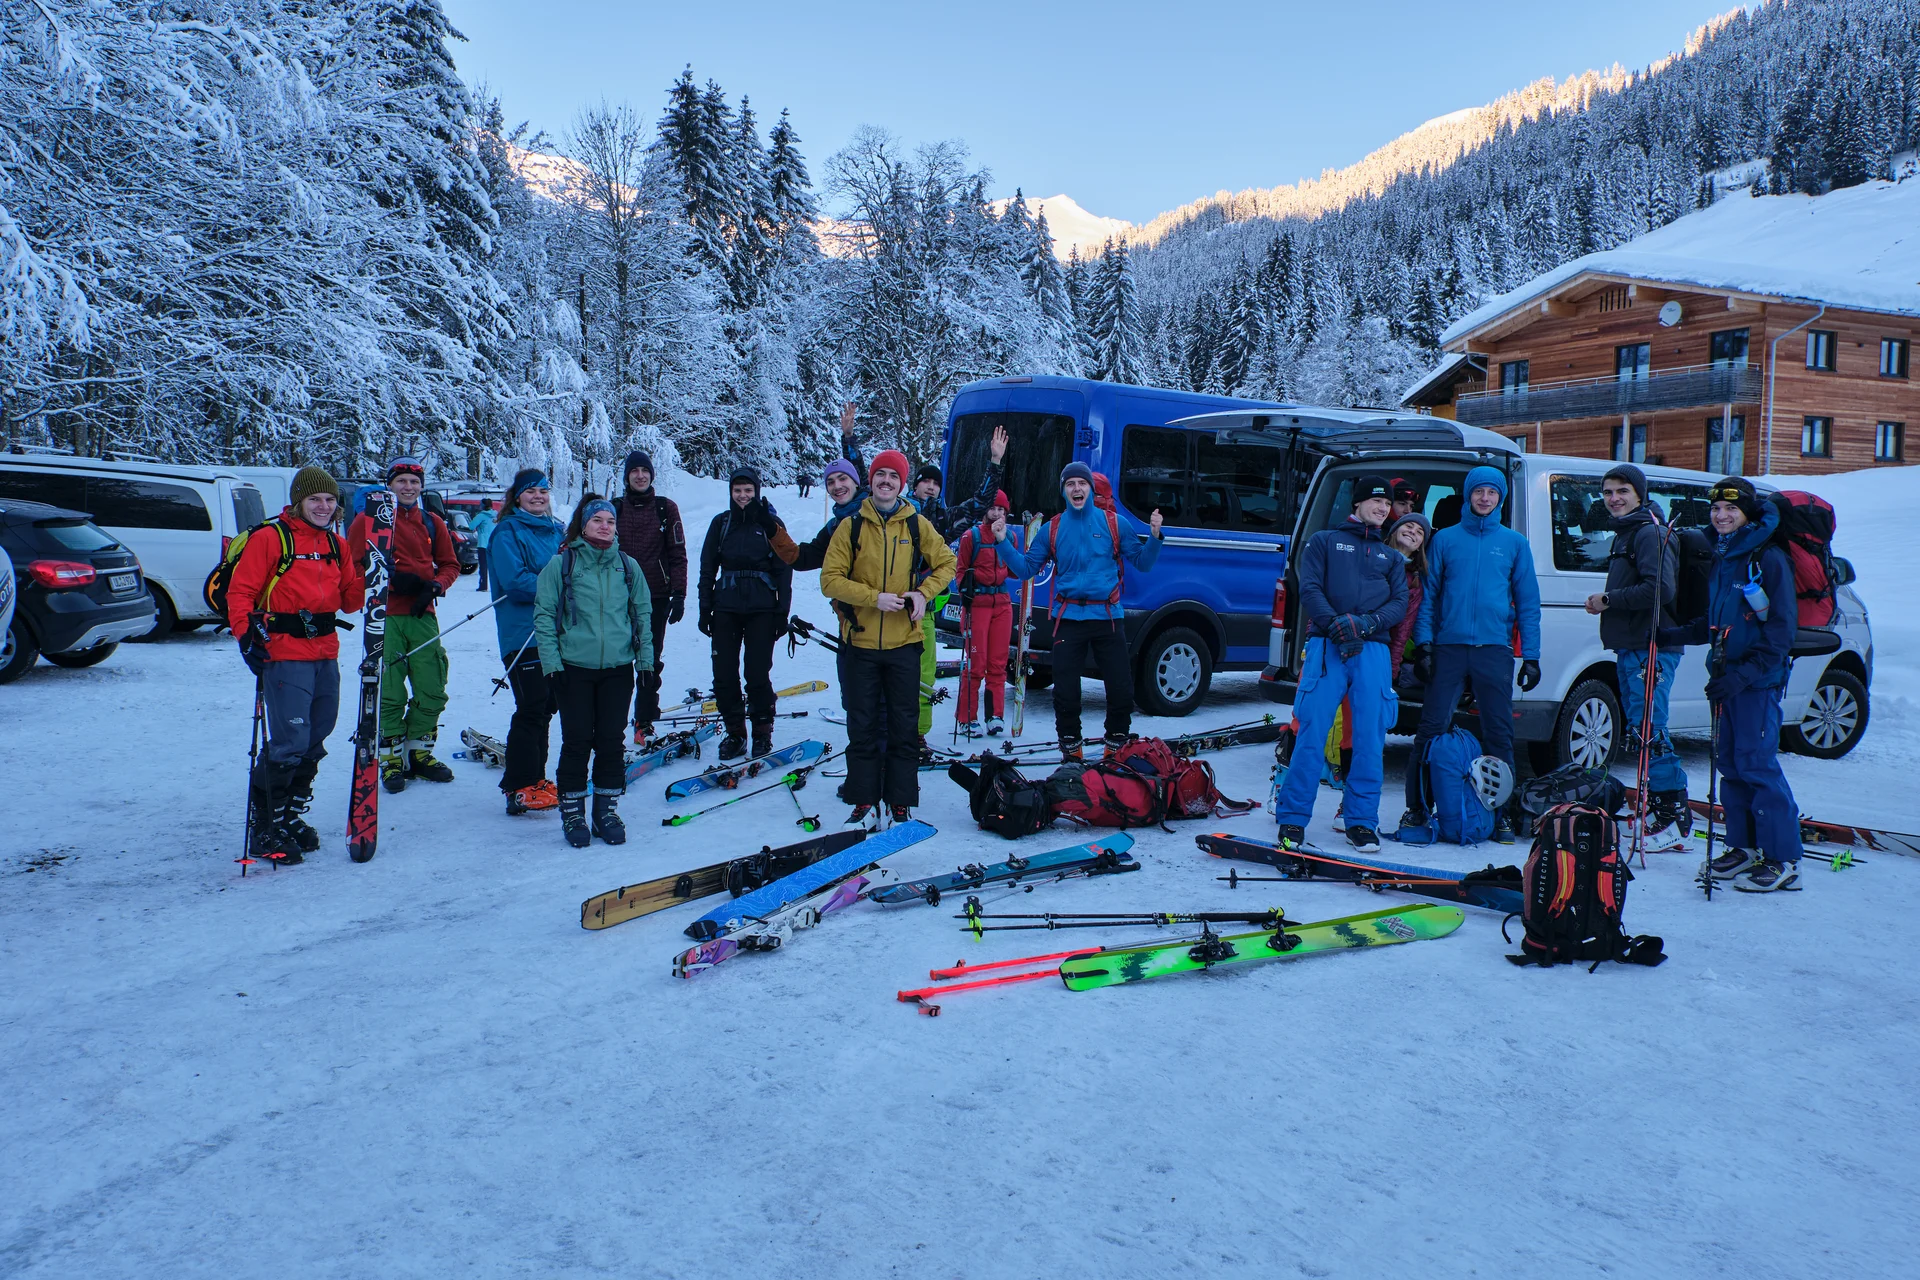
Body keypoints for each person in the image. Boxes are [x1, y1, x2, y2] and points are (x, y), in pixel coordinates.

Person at [1662, 477, 1802, 891]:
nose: (1721, 516)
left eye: (1731, 509)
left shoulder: (1767, 557)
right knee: (1731, 765)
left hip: (1756, 682)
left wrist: (1743, 675)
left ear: (1748, 513)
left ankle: (1784, 859)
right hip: (1726, 679)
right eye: (1716, 509)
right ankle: (1744, 847)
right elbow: (1718, 620)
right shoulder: (1724, 556)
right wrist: (1676, 633)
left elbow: (1781, 633)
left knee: (1757, 764)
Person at [226, 465, 365, 863]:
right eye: (314, 499)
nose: (323, 506)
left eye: (329, 500)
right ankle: (266, 827)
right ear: (298, 501)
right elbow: (243, 591)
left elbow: (350, 602)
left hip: (325, 650)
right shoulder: (272, 538)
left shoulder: (336, 545)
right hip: (284, 652)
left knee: (317, 736)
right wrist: (246, 636)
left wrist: (363, 573)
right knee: (290, 741)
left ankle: (288, 817)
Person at [1405, 464, 1541, 844]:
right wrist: (1425, 645)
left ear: (1500, 498)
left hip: (1494, 649)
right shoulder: (1445, 540)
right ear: (1468, 495)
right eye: (1479, 492)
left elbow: (1529, 602)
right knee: (1431, 730)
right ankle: (1417, 806)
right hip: (1448, 648)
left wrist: (1531, 655)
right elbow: (1429, 597)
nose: (1485, 498)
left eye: (1492, 493)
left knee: (1500, 732)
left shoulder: (1514, 543)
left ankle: (1502, 815)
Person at [820, 449, 956, 826]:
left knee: (903, 725)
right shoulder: (852, 526)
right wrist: (872, 599)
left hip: (904, 645)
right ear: (871, 481)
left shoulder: (916, 524)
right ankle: (864, 800)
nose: (886, 482)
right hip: (860, 644)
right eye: (880, 475)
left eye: (893, 477)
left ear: (901, 484)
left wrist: (921, 593)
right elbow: (829, 580)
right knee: (861, 725)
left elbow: (947, 563)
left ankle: (900, 801)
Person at [1272, 475, 1407, 853]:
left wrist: (1365, 624)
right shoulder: (1324, 541)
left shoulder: (1391, 557)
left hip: (1372, 651)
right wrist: (1336, 626)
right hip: (1327, 646)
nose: (1383, 508)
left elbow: (1398, 604)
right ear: (1358, 503)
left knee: (1368, 739)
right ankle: (1292, 819)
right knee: (1312, 734)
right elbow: (1309, 587)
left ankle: (1361, 822)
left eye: (1387, 504)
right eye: (1377, 502)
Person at [993, 461, 1163, 760]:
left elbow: (1144, 563)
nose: (1076, 488)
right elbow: (1026, 568)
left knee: (1121, 689)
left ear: (1090, 488)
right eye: (1070, 484)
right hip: (1068, 619)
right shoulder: (1053, 528)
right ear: (1064, 490)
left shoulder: (1114, 524)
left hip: (1108, 617)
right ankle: (1072, 750)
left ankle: (1116, 747)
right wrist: (1002, 542)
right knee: (1065, 693)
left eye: (1081, 483)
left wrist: (1154, 536)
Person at [533, 497, 654, 848]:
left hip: (618, 669)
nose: (604, 526)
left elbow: (642, 617)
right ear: (583, 525)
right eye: (597, 520)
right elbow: (544, 616)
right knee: (577, 741)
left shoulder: (628, 567)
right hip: (574, 669)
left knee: (611, 741)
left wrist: (645, 663)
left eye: (610, 521)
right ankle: (573, 812)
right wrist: (552, 665)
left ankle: (606, 812)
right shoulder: (562, 565)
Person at [1585, 463, 1688, 845]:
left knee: (1651, 730)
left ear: (1639, 495)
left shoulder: (1649, 533)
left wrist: (1608, 600)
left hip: (1652, 647)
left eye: (1622, 491)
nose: (1614, 499)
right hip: (1633, 645)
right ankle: (1658, 805)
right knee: (1641, 729)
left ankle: (1674, 816)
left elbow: (1659, 590)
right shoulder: (1627, 533)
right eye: (1608, 492)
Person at [349, 457, 460, 792]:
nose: (408, 487)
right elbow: (352, 567)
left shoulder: (432, 522)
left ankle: (419, 754)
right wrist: (388, 581)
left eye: (414, 482)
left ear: (421, 487)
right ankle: (391, 759)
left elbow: (451, 564)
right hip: (383, 618)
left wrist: (436, 585)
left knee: (432, 687)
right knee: (391, 690)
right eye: (401, 482)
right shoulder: (367, 521)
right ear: (390, 485)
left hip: (422, 614)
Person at [697, 466, 798, 760]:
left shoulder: (769, 523)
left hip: (762, 610)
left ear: (757, 492)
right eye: (737, 490)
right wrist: (705, 609)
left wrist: (782, 612)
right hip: (726, 607)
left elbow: (784, 570)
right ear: (731, 492)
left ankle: (762, 733)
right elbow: (707, 568)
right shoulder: (721, 523)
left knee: (756, 673)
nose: (742, 496)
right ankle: (735, 732)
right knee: (724, 674)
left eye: (748, 491)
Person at [487, 469, 565, 815]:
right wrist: (560, 586)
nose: (538, 496)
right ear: (516, 497)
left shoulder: (558, 529)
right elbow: (515, 581)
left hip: (556, 632)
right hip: (523, 633)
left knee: (546, 706)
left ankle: (536, 779)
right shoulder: (507, 531)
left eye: (543, 491)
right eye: (531, 491)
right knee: (532, 705)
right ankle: (518, 785)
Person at [611, 450, 687, 744]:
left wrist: (678, 593)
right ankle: (613, 722)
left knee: (649, 661)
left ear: (652, 475)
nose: (640, 475)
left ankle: (644, 722)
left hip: (655, 597)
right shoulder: (614, 508)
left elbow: (677, 554)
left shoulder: (666, 509)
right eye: (634, 471)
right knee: (616, 662)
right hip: (615, 598)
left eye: (645, 470)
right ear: (627, 476)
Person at [953, 489, 1016, 737]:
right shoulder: (972, 537)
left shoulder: (1009, 536)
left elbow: (1013, 569)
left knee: (998, 664)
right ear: (986, 511)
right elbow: (960, 571)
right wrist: (965, 589)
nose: (998, 513)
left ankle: (995, 715)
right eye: (993, 508)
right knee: (976, 664)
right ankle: (966, 718)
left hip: (1002, 604)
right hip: (977, 605)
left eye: (1002, 509)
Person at [1385, 512, 1432, 690]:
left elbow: (1402, 632)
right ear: (1394, 530)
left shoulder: (1414, 581)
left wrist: (1392, 670)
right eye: (1408, 526)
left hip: (1380, 650)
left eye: (1420, 532)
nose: (1413, 532)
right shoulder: (1370, 557)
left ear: (1421, 546)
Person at [470, 498, 496, 591]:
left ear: (483, 505)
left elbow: (471, 526)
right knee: (495, 566)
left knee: (483, 566)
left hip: (483, 544)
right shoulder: (496, 515)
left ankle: (483, 585)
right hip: (494, 544)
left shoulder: (481, 516)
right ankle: (498, 586)